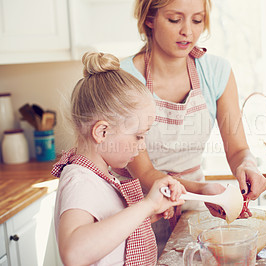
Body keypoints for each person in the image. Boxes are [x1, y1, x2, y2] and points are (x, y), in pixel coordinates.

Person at [115, 0, 266, 254]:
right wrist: (203, 191)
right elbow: (145, 173)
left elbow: (238, 149)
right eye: (175, 20)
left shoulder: (216, 71)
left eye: (197, 20)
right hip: (135, 212)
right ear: (149, 19)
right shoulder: (123, 78)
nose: (188, 31)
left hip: (194, 210)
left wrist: (247, 166)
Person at [52, 52, 186, 266]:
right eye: (138, 136)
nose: (142, 145)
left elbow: (106, 233)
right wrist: (147, 204)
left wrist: (149, 215)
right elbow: (74, 253)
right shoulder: (79, 180)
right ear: (102, 132)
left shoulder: (101, 175)